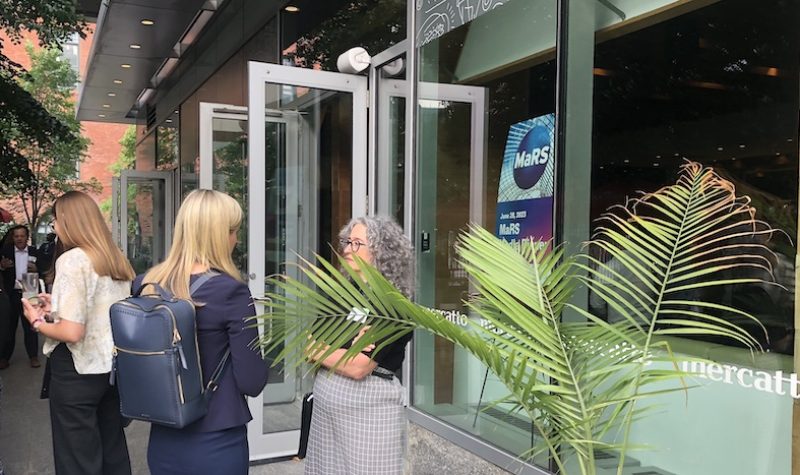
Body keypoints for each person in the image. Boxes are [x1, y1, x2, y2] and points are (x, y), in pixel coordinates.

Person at [136, 189, 268, 475]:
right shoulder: (230, 291)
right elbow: (252, 381)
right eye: (234, 231)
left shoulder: (145, 284)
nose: (237, 239)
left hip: (163, 435)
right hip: (215, 438)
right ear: (219, 235)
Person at [20, 191, 134, 474]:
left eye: (56, 219)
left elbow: (71, 332)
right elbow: (98, 313)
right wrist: (53, 307)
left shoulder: (71, 260)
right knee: (112, 450)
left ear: (69, 222)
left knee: (77, 458)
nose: (55, 226)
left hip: (76, 371)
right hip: (111, 369)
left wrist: (36, 321)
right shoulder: (114, 258)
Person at [304, 216, 414, 475]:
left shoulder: (393, 304)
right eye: (347, 242)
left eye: (357, 243)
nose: (346, 250)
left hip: (370, 411)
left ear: (380, 251)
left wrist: (327, 350)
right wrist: (344, 350)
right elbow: (308, 347)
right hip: (327, 412)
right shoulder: (339, 293)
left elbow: (359, 367)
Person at [0, 225, 43, 368]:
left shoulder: (34, 251)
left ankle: (33, 357)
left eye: (22, 236)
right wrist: (1, 266)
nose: (19, 239)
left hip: (29, 288)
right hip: (11, 292)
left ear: (27, 237)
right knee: (9, 327)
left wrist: (37, 270)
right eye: (16, 236)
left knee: (31, 325)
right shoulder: (5, 252)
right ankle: (5, 358)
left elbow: (44, 269)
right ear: (13, 238)